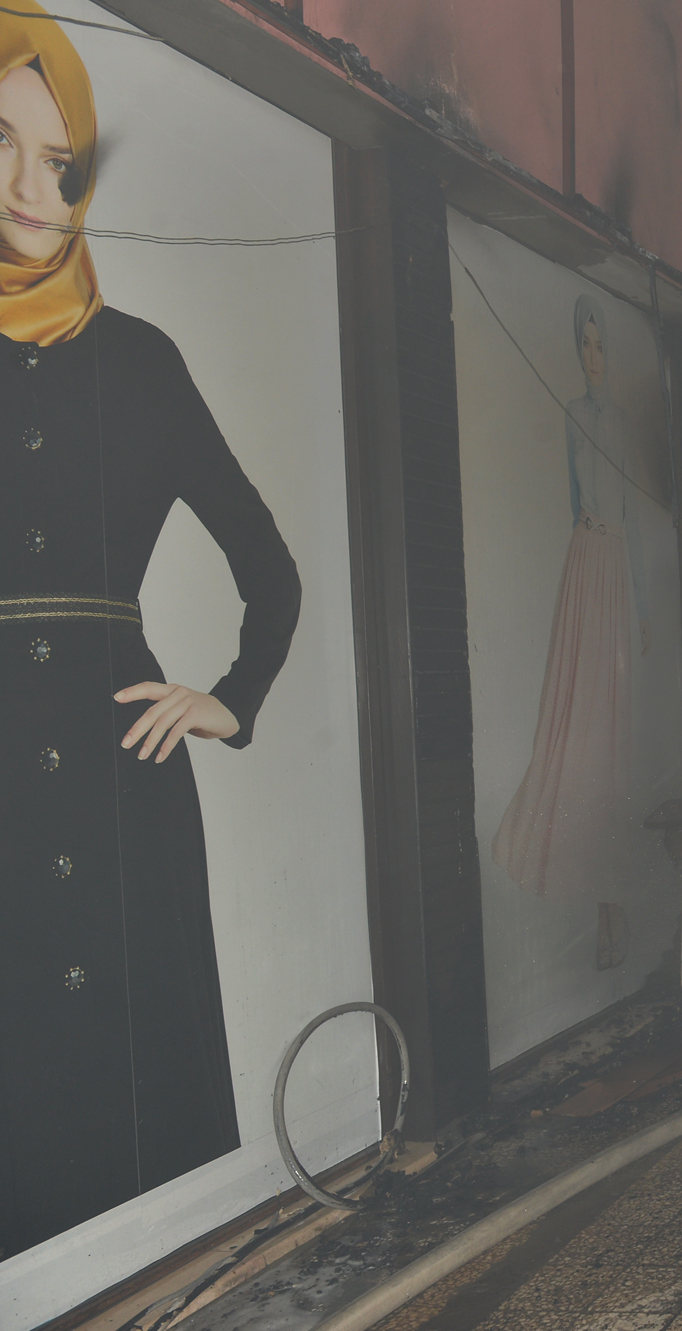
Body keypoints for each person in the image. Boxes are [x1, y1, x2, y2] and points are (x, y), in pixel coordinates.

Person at [0, 3, 301, 1256]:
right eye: (0, 145)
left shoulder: (140, 360)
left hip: (122, 770)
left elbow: (267, 565)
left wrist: (232, 693)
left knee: (133, 1070)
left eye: (60, 160)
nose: (33, 189)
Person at [492, 293, 651, 898]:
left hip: (613, 564)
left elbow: (632, 517)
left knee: (609, 718)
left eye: (600, 344)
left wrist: (641, 608)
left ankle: (605, 873)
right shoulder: (571, 415)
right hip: (584, 564)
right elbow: (570, 500)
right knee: (571, 706)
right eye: (584, 344)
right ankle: (555, 848)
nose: (593, 356)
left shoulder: (624, 424)